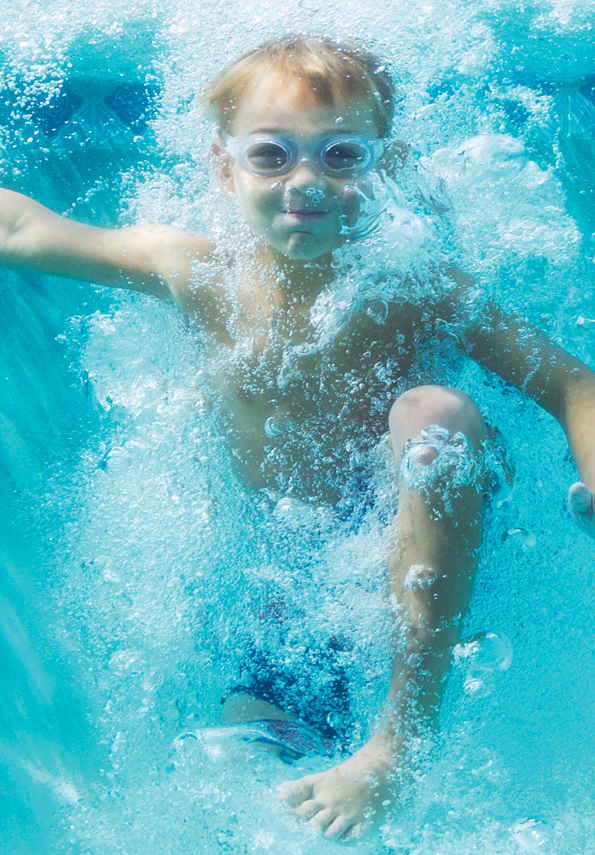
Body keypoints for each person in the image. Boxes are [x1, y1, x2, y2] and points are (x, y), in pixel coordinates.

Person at [1, 34, 595, 843]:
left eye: (341, 155)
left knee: (433, 415)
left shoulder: (415, 285)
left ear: (380, 166)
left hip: (428, 551)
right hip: (289, 582)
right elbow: (22, 230)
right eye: (273, 155)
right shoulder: (195, 271)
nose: (306, 182)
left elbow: (572, 384)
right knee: (243, 791)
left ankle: (398, 743)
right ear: (225, 166)